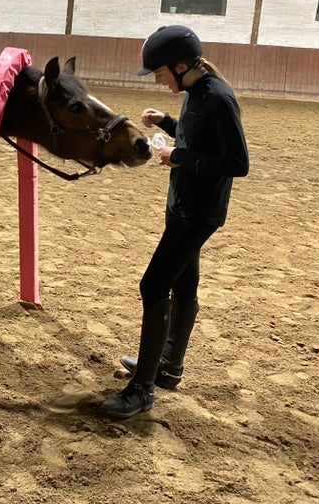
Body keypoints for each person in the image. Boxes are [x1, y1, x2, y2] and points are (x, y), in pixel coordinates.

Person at [101, 25, 250, 419]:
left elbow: (238, 162)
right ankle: (168, 366)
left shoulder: (218, 98)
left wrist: (178, 158)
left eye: (160, 73)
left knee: (153, 285)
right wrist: (167, 122)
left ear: (181, 66)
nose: (158, 79)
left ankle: (142, 390)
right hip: (182, 203)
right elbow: (197, 137)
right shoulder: (195, 93)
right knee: (184, 284)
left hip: (198, 211)